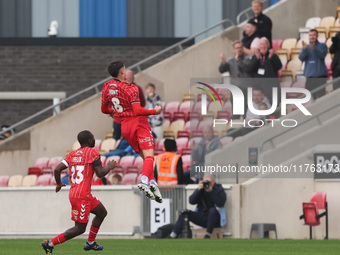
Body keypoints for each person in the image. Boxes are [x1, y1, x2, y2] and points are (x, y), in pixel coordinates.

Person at [41, 130, 117, 254]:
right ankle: (49, 243)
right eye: (93, 138)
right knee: (79, 228)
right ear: (89, 140)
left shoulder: (72, 154)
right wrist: (109, 167)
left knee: (102, 212)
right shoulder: (93, 152)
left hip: (79, 193)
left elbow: (57, 169)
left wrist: (59, 183)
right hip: (81, 196)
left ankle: (90, 243)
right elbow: (100, 173)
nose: (94, 140)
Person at [101, 60, 163, 203]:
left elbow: (104, 110)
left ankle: (153, 183)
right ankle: (144, 181)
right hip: (138, 124)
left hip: (125, 128)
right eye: (125, 68)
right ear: (122, 72)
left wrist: (114, 112)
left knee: (146, 158)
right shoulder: (131, 88)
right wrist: (155, 111)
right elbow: (138, 110)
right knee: (149, 156)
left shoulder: (106, 87)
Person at [169, 174, 227, 239]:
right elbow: (191, 201)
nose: (207, 184)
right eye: (205, 182)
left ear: (214, 182)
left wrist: (211, 192)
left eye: (209, 182)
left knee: (212, 210)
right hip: (202, 216)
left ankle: (208, 234)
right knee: (185, 213)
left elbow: (221, 203)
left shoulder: (218, 189)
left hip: (215, 218)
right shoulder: (201, 189)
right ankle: (173, 235)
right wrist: (198, 190)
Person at [245, 37, 282, 105]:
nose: (263, 46)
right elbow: (248, 69)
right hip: (259, 89)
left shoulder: (273, 55)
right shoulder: (254, 56)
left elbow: (279, 66)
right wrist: (256, 59)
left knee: (274, 108)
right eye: (261, 44)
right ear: (259, 46)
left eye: (265, 44)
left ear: (268, 46)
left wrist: (272, 58)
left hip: (271, 88)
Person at [112, 69, 146, 140]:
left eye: (130, 76)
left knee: (130, 139)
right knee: (116, 139)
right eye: (127, 76)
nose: (128, 78)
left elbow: (143, 103)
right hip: (119, 120)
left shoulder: (138, 89)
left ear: (133, 78)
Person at [299, 29, 328, 99]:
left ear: (317, 36)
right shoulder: (306, 47)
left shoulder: (323, 45)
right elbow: (301, 58)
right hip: (310, 78)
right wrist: (304, 50)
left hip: (320, 77)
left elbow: (322, 55)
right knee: (312, 99)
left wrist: (314, 49)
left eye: (314, 35)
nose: (312, 37)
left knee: (322, 98)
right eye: (310, 35)